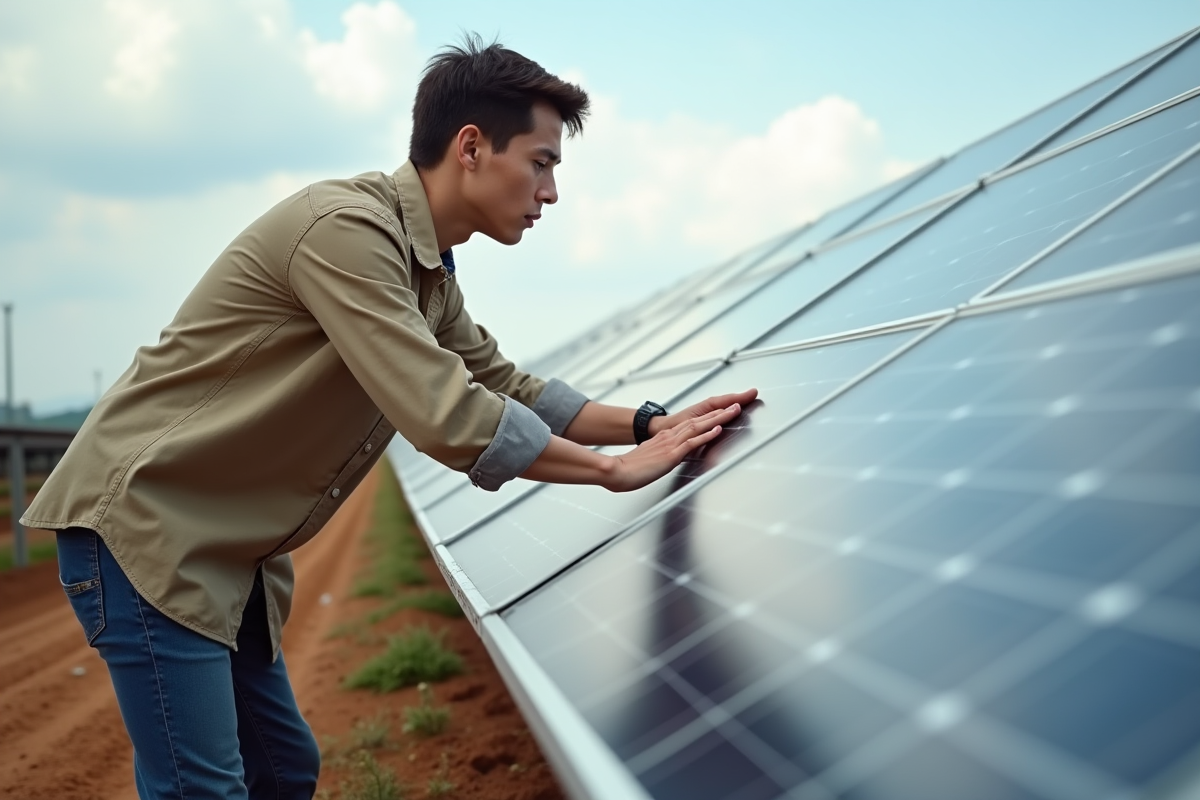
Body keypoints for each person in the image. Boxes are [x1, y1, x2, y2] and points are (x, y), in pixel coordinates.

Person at [23, 38, 755, 799]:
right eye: (542, 163)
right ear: (471, 147)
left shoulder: (429, 273)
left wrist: (649, 425)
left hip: (223, 551)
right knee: (202, 789)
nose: (551, 192)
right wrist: (609, 473)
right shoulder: (346, 231)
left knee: (282, 771)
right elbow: (447, 414)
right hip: (148, 531)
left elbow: (506, 385)